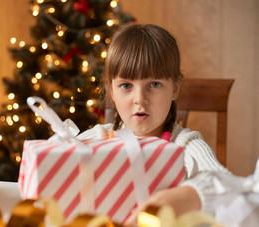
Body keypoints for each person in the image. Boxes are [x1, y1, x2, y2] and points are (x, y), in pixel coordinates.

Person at [77, 23, 230, 224]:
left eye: (154, 84)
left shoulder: (186, 145)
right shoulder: (98, 139)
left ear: (175, 87)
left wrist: (188, 197)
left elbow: (228, 186)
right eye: (126, 86)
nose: (140, 99)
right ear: (111, 91)